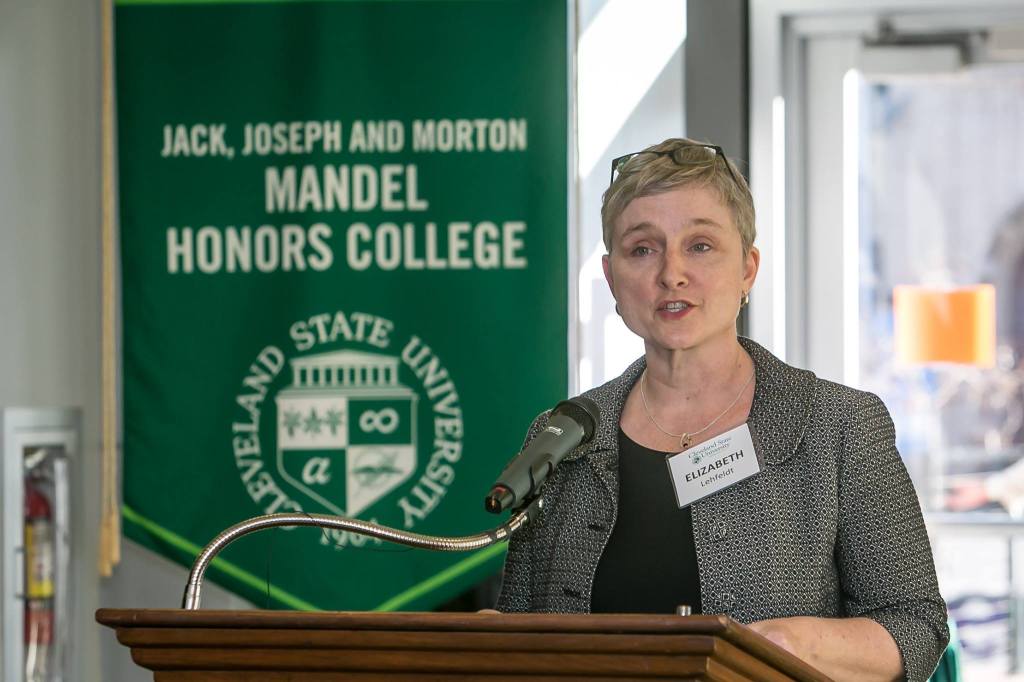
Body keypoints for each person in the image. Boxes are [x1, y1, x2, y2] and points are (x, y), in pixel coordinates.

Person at [496, 138, 949, 682]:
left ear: (748, 270)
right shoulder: (563, 437)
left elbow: (917, 626)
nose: (672, 273)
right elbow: (517, 632)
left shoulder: (839, 426)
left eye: (701, 245)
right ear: (612, 277)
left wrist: (795, 644)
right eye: (643, 249)